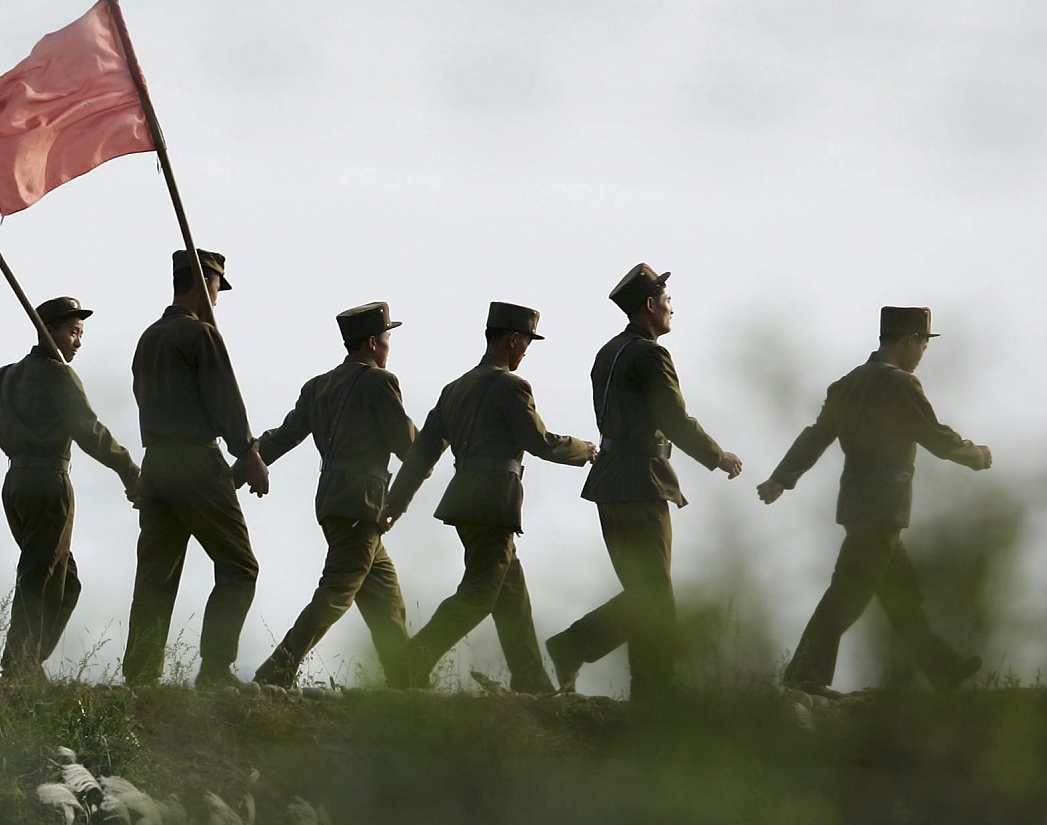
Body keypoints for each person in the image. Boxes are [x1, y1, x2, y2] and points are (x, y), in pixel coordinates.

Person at [758, 306, 992, 698]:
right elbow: (934, 435)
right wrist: (976, 455)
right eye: (921, 344)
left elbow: (816, 436)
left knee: (903, 597)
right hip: (883, 507)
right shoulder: (900, 385)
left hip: (858, 504)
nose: (922, 354)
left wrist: (782, 478)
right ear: (908, 341)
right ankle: (802, 675)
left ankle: (944, 669)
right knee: (847, 593)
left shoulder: (847, 384)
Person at [544, 265, 743, 700]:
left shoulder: (607, 352)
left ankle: (635, 683)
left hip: (610, 482)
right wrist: (717, 456)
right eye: (668, 301)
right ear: (650, 306)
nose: (673, 309)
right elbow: (672, 418)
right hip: (641, 482)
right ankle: (636, 682)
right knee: (655, 596)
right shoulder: (651, 355)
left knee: (644, 592)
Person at [386, 301, 594, 693]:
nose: (527, 351)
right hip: (493, 504)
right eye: (527, 342)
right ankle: (411, 663)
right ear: (513, 340)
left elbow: (422, 455)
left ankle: (531, 681)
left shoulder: (454, 390)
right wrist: (585, 450)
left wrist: (395, 504)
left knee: (510, 593)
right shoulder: (513, 386)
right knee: (480, 593)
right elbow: (540, 442)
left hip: (464, 501)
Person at [0, 296, 140, 680]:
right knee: (39, 578)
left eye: (80, 334)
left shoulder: (7, 376)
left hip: (14, 486)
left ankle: (27, 660)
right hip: (49, 484)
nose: (78, 342)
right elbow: (90, 431)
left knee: (64, 580)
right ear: (50, 330)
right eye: (73, 332)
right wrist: (129, 471)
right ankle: (19, 666)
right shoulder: (60, 375)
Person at [122, 249, 271, 689]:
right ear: (204, 284)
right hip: (196, 463)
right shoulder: (202, 335)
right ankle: (214, 670)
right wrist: (249, 454)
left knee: (156, 575)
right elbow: (225, 400)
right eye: (216, 288)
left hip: (156, 465)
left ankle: (140, 674)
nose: (218, 297)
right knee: (240, 567)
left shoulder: (148, 338)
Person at [252, 302, 418, 689]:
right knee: (337, 592)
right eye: (387, 338)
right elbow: (408, 445)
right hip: (363, 504)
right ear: (374, 343)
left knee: (386, 601)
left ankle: (407, 683)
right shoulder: (381, 382)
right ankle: (276, 672)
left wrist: (241, 465)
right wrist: (442, 440)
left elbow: (281, 437)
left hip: (334, 502)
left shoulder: (318, 386)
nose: (389, 346)